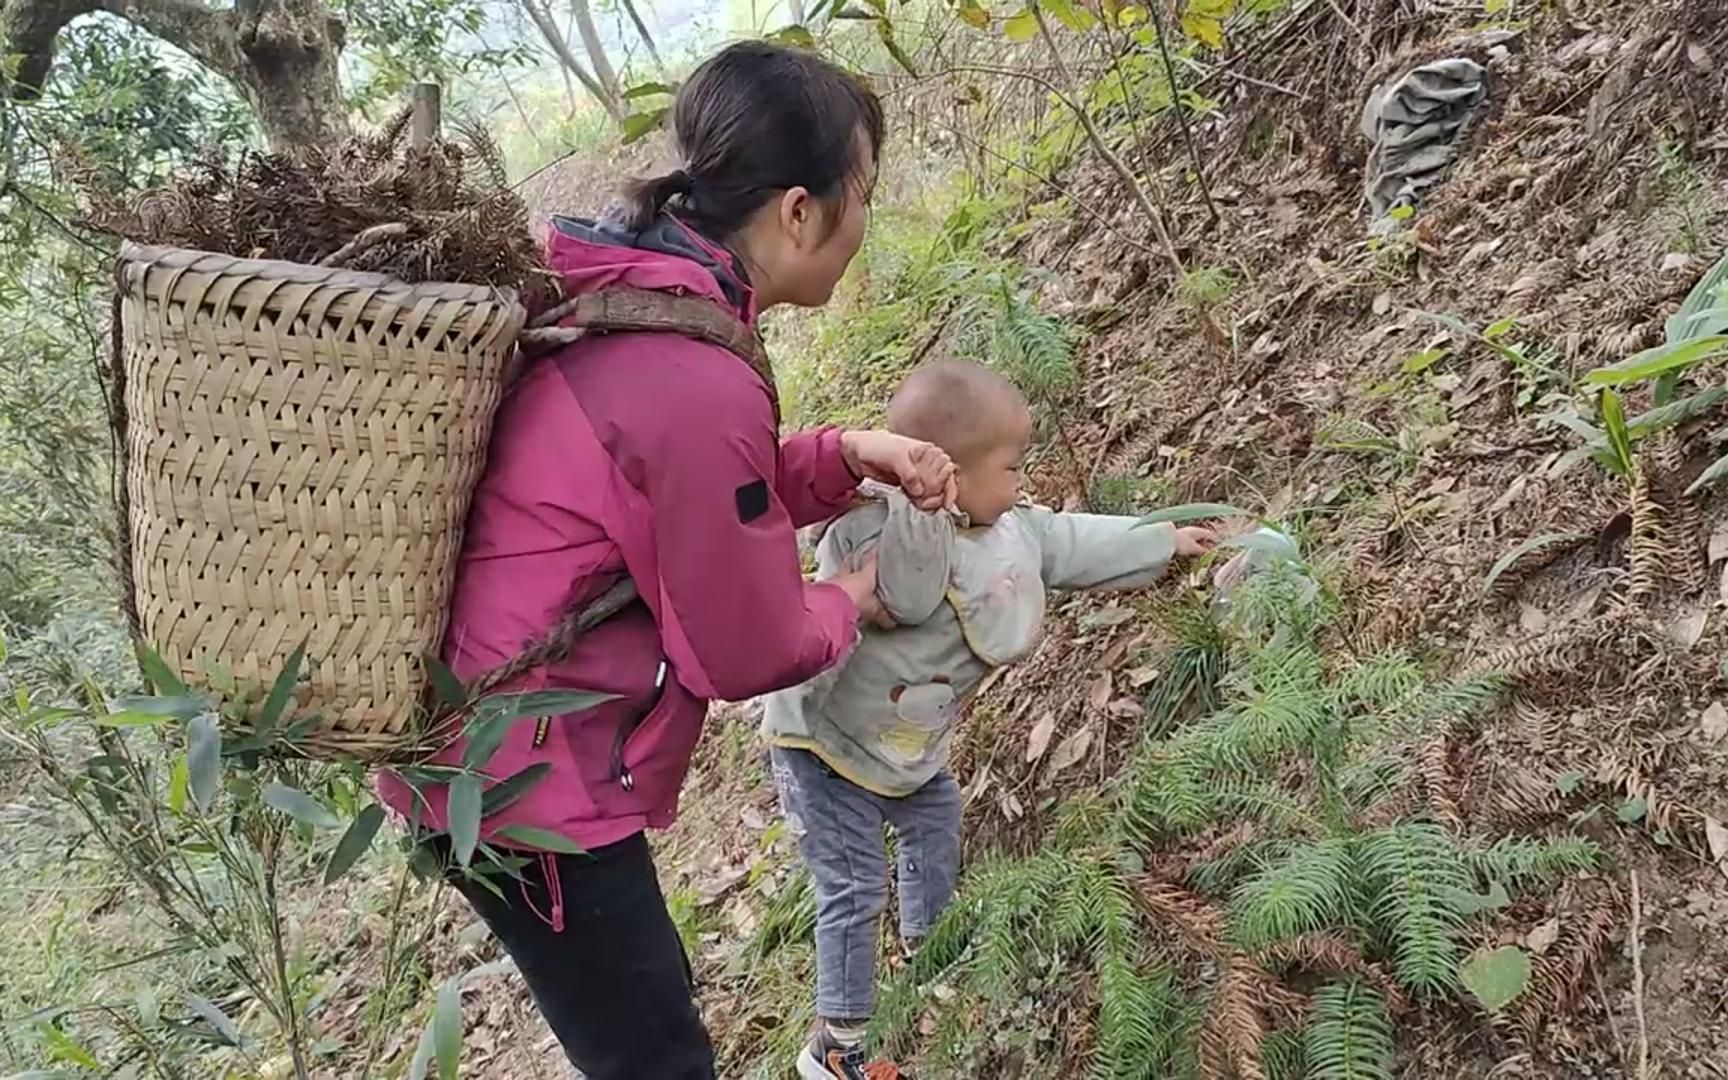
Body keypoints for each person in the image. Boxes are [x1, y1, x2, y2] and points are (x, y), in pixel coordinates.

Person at [376, 42, 959, 1080]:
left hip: (504, 751)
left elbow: (671, 499)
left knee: (644, 1016)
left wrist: (840, 458)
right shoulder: (688, 369)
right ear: (797, 211)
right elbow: (744, 646)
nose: (865, 224)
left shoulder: (639, 292)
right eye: (860, 193)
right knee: (654, 1057)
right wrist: (845, 601)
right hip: (520, 785)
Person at [762, 360, 1218, 1080]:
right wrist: (919, 502)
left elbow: (1069, 542)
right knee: (853, 883)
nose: (1018, 484)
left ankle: (931, 948)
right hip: (822, 743)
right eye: (1009, 467)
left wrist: (1164, 542)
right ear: (947, 477)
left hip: (900, 748)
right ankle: (837, 1044)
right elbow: (908, 596)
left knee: (936, 815)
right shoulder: (886, 534)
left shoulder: (1004, 529)